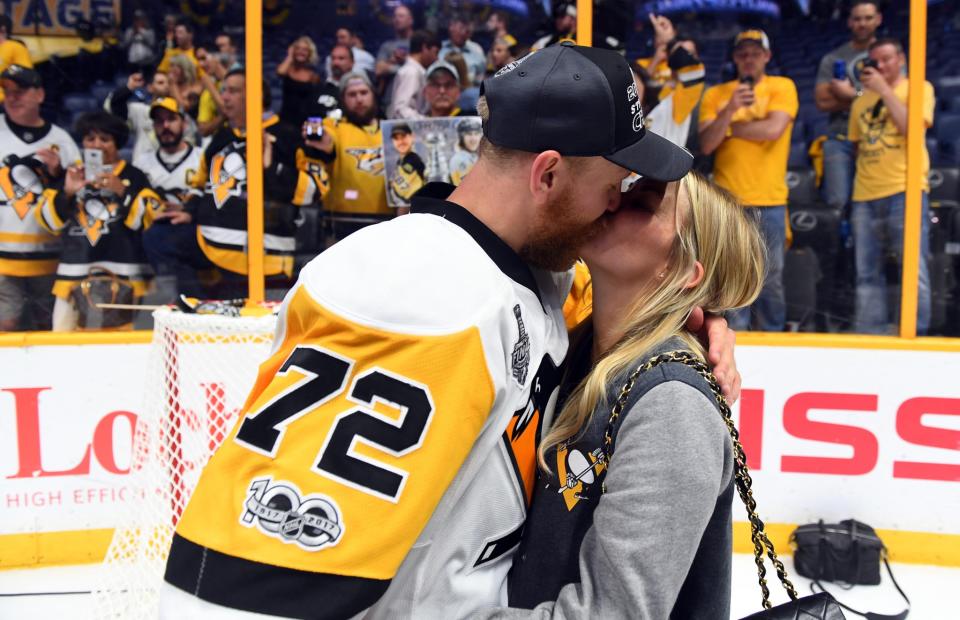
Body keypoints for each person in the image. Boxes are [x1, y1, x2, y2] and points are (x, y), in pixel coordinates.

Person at [161, 42, 737, 619]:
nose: (617, 200)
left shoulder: (545, 271)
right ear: (550, 174)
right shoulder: (420, 293)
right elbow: (261, 568)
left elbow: (620, 304)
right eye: (615, 181)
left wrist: (697, 317)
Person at [485, 172, 764, 619]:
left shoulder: (672, 404)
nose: (615, 199)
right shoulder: (575, 348)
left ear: (680, 270)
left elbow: (611, 614)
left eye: (645, 202)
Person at [144, 68, 325, 298]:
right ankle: (194, 307)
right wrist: (190, 210)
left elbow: (315, 191)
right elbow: (201, 185)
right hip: (210, 242)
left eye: (232, 91)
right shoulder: (221, 137)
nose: (224, 97)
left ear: (255, 95)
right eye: (223, 91)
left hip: (262, 252)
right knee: (158, 237)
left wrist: (270, 167)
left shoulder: (288, 135)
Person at [699, 30, 798, 332]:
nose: (749, 59)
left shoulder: (783, 86)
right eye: (742, 53)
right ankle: (733, 339)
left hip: (770, 199)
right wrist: (730, 111)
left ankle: (774, 337)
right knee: (731, 278)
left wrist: (730, 128)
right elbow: (706, 144)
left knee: (772, 278)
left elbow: (772, 130)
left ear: (767, 56)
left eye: (755, 53)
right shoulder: (717, 95)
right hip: (728, 202)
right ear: (734, 58)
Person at [35, 111, 161, 331]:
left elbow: (151, 220)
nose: (97, 145)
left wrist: (122, 190)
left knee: (124, 346)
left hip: (126, 278)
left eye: (105, 139)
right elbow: (48, 222)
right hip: (72, 278)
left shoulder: (135, 175)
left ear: (118, 143)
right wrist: (67, 193)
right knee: (62, 345)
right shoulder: (72, 175)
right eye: (90, 139)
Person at [848, 38, 934, 334]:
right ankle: (871, 332)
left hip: (905, 190)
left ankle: (915, 333)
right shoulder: (860, 100)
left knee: (913, 269)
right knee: (866, 272)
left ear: (901, 59)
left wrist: (884, 90)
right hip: (865, 193)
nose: (880, 66)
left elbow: (912, 130)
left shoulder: (919, 88)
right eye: (875, 61)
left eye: (886, 59)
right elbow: (858, 149)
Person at [0, 65, 80, 331]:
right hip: (2, 261)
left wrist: (57, 174)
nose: (12, 97)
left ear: (40, 95)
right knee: (6, 331)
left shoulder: (63, 141)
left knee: (48, 331)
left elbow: (79, 198)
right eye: (7, 91)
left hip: (49, 259)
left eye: (20, 91)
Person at [307, 72, 391, 246]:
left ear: (373, 95)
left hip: (387, 225)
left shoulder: (392, 130)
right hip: (340, 227)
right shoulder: (333, 126)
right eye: (352, 95)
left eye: (363, 92)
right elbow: (327, 142)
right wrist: (322, 142)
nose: (359, 99)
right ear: (343, 100)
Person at [815, 0, 883, 211]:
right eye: (857, 18)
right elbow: (823, 101)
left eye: (868, 18)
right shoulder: (833, 58)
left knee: (874, 203)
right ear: (849, 22)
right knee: (837, 203)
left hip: (876, 140)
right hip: (840, 137)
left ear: (878, 19)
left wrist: (849, 94)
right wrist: (869, 96)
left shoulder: (889, 56)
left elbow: (894, 97)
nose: (862, 23)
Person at [136, 97, 203, 303]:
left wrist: (190, 211)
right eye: (159, 121)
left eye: (171, 119)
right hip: (156, 232)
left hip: (195, 230)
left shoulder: (202, 157)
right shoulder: (141, 163)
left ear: (184, 123)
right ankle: (189, 302)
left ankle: (182, 300)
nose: (165, 126)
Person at [106, 71, 198, 161]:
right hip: (143, 166)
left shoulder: (180, 115)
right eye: (160, 83)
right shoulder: (140, 111)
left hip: (174, 164)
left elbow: (190, 144)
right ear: (150, 87)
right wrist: (129, 87)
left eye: (168, 83)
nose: (166, 86)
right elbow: (115, 105)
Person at [644, 34, 707, 152]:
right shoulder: (662, 89)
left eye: (690, 53)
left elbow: (690, 67)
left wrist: (670, 41)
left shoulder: (688, 92)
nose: (684, 55)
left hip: (663, 165)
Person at [387, 30, 440, 120]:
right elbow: (401, 109)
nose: (437, 58)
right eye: (436, 53)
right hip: (409, 130)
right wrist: (427, 123)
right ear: (425, 48)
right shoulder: (411, 72)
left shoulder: (414, 71)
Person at [277, 36, 322, 129]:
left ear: (309, 54)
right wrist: (289, 56)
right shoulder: (288, 70)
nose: (301, 51)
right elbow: (280, 72)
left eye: (305, 50)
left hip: (303, 121)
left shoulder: (313, 76)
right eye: (298, 48)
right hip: (286, 119)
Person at [376, 4, 415, 109]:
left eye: (401, 16)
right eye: (395, 16)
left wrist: (403, 60)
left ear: (410, 20)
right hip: (390, 100)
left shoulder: (418, 42)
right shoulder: (387, 46)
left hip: (414, 98)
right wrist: (393, 61)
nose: (397, 19)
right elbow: (379, 70)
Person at [635, 14, 678, 93]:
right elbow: (637, 87)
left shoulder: (681, 61)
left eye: (665, 35)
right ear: (654, 41)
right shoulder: (641, 63)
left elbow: (681, 83)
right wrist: (655, 61)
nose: (662, 40)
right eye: (658, 35)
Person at [440, 13, 485, 86]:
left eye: (467, 30)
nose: (464, 33)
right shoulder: (440, 48)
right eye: (461, 28)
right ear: (451, 27)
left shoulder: (477, 50)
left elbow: (480, 77)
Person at [195, 47, 229, 137]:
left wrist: (210, 86)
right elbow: (202, 130)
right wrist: (222, 118)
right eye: (198, 60)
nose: (200, 64)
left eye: (203, 58)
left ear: (216, 57)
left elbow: (227, 111)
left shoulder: (240, 80)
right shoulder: (207, 93)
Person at [0, 14, 32, 104]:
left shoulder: (16, 48)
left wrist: (5, 73)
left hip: (5, 100)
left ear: (3, 30)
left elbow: (24, 72)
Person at [168, 54, 204, 120]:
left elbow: (184, 108)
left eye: (178, 66)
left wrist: (173, 85)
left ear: (185, 69)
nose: (173, 69)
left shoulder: (196, 87)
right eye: (171, 66)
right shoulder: (168, 86)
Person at [121, 9, 156, 73]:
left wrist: (142, 33)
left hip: (147, 60)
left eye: (140, 19)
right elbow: (124, 44)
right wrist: (132, 34)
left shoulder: (149, 31)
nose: (138, 22)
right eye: (136, 20)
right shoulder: (129, 31)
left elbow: (152, 43)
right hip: (133, 60)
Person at [449, 117, 481, 185]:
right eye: (469, 134)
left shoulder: (478, 156)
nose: (473, 138)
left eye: (476, 134)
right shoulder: (459, 159)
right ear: (461, 137)